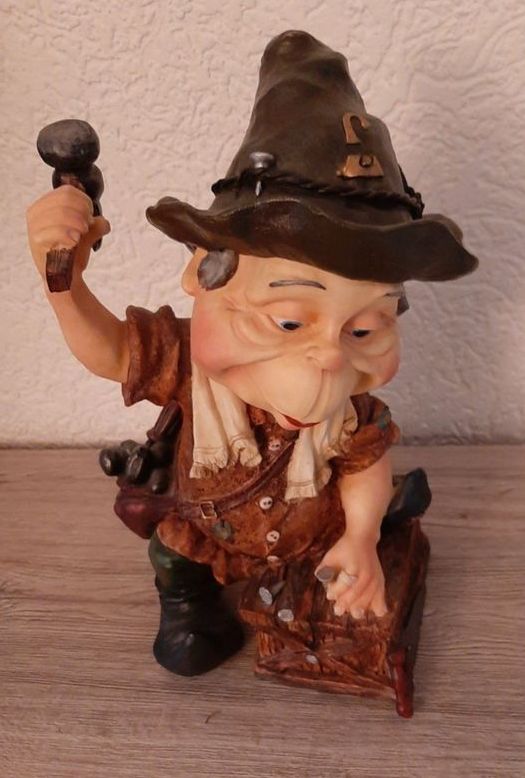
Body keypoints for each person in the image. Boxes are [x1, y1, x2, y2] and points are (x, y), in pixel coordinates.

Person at [26, 30, 477, 678]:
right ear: (202, 275)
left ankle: (366, 534)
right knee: (174, 564)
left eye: (364, 328)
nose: (328, 359)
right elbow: (112, 351)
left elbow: (362, 462)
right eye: (288, 319)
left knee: (347, 569)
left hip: (312, 535)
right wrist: (62, 285)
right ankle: (190, 607)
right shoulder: (188, 363)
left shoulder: (349, 413)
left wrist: (358, 535)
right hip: (209, 531)